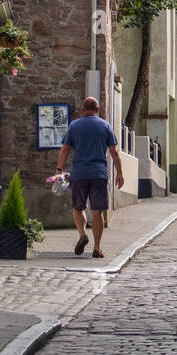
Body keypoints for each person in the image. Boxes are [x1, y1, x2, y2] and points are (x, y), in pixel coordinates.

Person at [55, 97, 124, 259]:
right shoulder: (105, 126)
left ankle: (82, 234)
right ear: (98, 109)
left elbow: (64, 150)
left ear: (83, 110)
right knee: (97, 211)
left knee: (78, 208)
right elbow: (114, 152)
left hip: (79, 174)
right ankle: (97, 248)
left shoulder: (74, 126)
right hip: (99, 174)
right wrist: (120, 173)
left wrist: (59, 170)